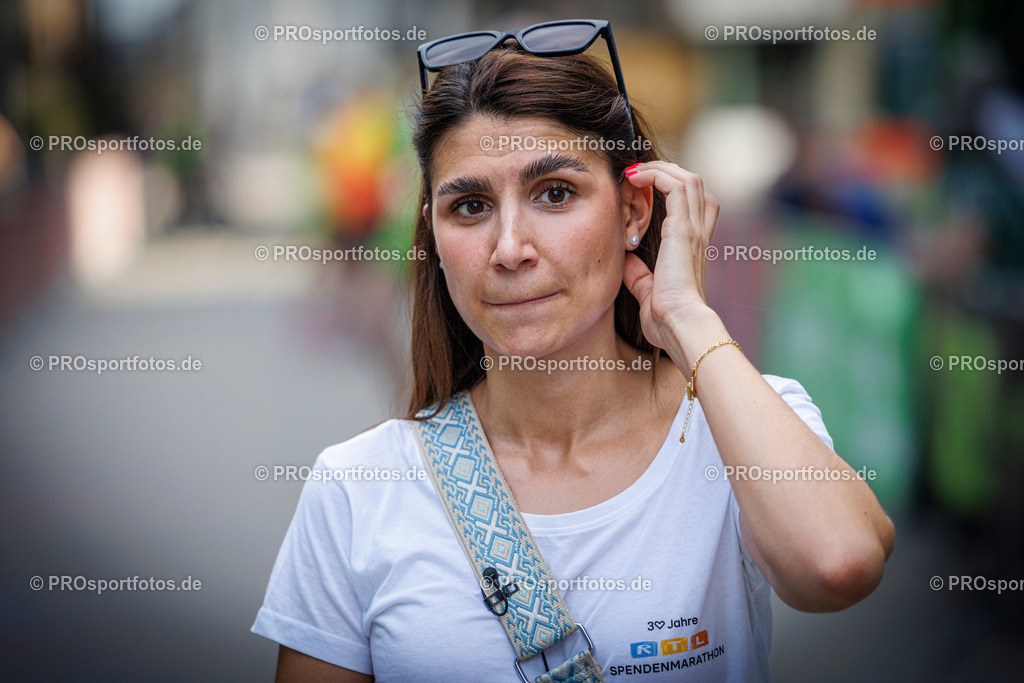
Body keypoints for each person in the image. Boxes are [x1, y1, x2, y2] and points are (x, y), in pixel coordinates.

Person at [252, 20, 895, 682]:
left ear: (634, 212)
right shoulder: (359, 488)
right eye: (469, 206)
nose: (509, 248)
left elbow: (838, 563)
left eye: (555, 193)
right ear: (434, 235)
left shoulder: (739, 428)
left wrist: (689, 320)